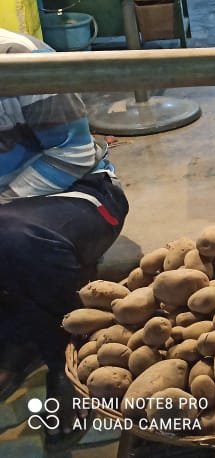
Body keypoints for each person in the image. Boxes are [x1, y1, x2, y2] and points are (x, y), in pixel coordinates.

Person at [0, 29, 129, 447]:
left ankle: (66, 357)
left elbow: (72, 152)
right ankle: (18, 336)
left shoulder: (16, 58)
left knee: (12, 237)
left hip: (79, 191)